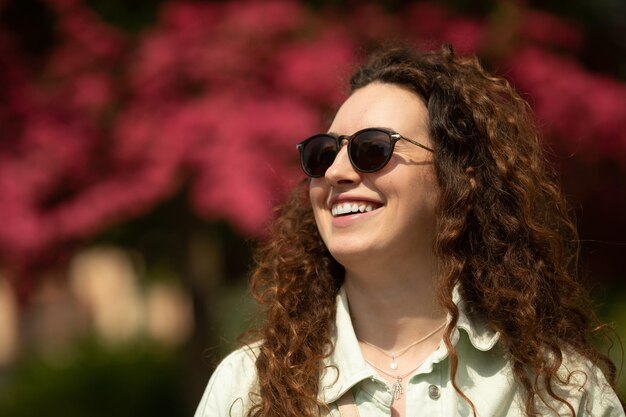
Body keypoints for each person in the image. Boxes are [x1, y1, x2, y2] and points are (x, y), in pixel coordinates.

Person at [194, 45, 625, 417]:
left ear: (460, 179)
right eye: (322, 154)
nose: (338, 171)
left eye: (372, 149)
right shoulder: (246, 388)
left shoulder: (562, 391)